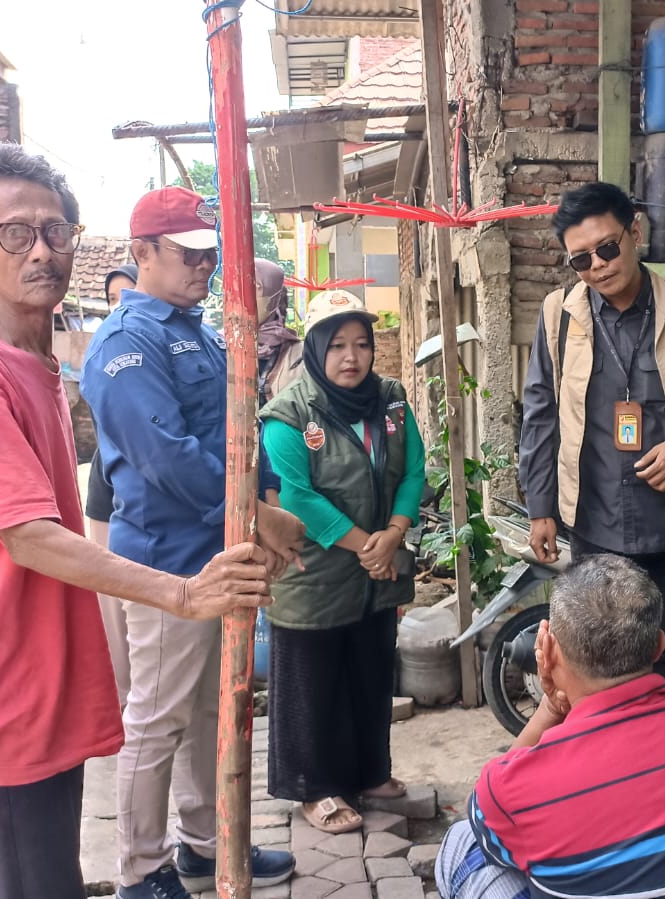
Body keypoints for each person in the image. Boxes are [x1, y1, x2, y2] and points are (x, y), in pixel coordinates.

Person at [0, 147, 299, 899]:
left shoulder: (29, 364)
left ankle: (187, 847)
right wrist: (185, 593)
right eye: (14, 233)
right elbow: (27, 530)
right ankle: (147, 865)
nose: (42, 250)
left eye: (56, 230)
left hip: (24, 676)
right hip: (4, 694)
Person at [81, 185, 299, 897]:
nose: (204, 266)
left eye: (210, 254)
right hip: (169, 561)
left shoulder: (191, 327)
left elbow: (240, 419)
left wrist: (262, 496)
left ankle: (205, 846)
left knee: (211, 708)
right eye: (188, 254)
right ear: (140, 252)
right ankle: (141, 867)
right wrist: (254, 515)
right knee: (158, 716)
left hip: (216, 550)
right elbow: (165, 456)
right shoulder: (127, 341)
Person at [520, 181, 665, 691]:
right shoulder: (557, 317)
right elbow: (540, 414)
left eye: (608, 247)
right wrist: (540, 507)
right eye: (581, 260)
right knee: (603, 670)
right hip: (596, 524)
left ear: (635, 232)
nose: (599, 266)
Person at [438, 555, 665, 899]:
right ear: (659, 646)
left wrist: (549, 709)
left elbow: (484, 817)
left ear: (550, 650)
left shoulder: (512, 786)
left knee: (462, 842)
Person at [259, 289, 426, 835]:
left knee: (371, 672)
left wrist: (394, 533)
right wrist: (368, 546)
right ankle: (316, 787)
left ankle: (370, 773)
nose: (351, 357)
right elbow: (297, 494)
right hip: (315, 573)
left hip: (378, 572)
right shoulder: (288, 413)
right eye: (337, 346)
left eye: (361, 344)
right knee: (314, 681)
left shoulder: (393, 399)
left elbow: (413, 472)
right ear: (314, 350)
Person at [87, 262, 139, 704]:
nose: (117, 307)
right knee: (110, 598)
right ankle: (121, 693)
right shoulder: (105, 351)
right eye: (110, 299)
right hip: (104, 492)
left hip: (140, 497)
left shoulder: (150, 352)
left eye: (128, 295)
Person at [255, 258, 301, 404]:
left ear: (274, 296)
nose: (242, 293)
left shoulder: (300, 353)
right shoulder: (219, 345)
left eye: (255, 285)